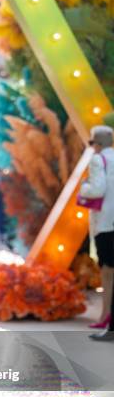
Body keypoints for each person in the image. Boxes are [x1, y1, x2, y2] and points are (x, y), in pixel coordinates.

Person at [78, 126, 114, 329]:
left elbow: (97, 189)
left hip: (105, 221)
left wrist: (84, 187)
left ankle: (105, 316)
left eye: (92, 143)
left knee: (107, 271)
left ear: (97, 143)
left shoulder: (97, 160)